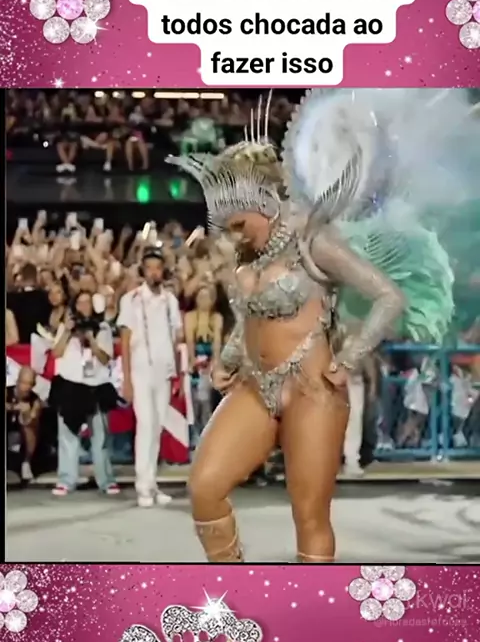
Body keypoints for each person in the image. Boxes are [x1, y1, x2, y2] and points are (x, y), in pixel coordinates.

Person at [168, 88, 466, 563]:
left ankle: (311, 604)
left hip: (313, 392)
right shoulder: (247, 252)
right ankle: (232, 588)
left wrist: (349, 357)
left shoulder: (313, 241)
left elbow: (389, 297)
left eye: (238, 223)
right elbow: (250, 318)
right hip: (255, 387)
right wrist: (229, 358)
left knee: (309, 519)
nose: (230, 233)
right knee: (204, 486)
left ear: (265, 199)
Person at [118, 245, 184, 508]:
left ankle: (152, 483)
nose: (154, 273)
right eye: (150, 268)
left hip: (163, 371)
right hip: (140, 370)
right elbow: (124, 341)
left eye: (158, 268)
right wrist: (126, 378)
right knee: (145, 425)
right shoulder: (131, 299)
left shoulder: (170, 301)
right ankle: (142, 486)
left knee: (157, 427)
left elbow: (177, 339)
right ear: (143, 271)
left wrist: (178, 374)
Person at [48, 291, 120, 496]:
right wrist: (67, 331)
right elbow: (56, 353)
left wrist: (91, 340)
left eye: (87, 303)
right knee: (68, 435)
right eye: (80, 303)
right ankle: (66, 480)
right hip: (70, 384)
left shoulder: (103, 328)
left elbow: (105, 358)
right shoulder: (66, 326)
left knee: (100, 437)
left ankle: (106, 480)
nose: (84, 307)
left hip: (96, 385)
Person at [184, 285, 223, 441]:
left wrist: (214, 362)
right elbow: (189, 340)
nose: (204, 301)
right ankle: (195, 433)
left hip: (209, 359)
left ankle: (206, 435)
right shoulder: (190, 317)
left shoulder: (217, 318)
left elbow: (217, 342)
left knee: (206, 400)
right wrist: (192, 360)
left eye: (207, 297)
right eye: (201, 297)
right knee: (194, 400)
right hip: (195, 359)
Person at [6, 366, 42, 483]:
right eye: (24, 383)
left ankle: (26, 463)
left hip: (21, 432)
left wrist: (27, 414)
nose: (26, 387)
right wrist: (13, 407)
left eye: (30, 384)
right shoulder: (8, 392)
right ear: (18, 381)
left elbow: (33, 417)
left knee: (31, 427)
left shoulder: (35, 400)